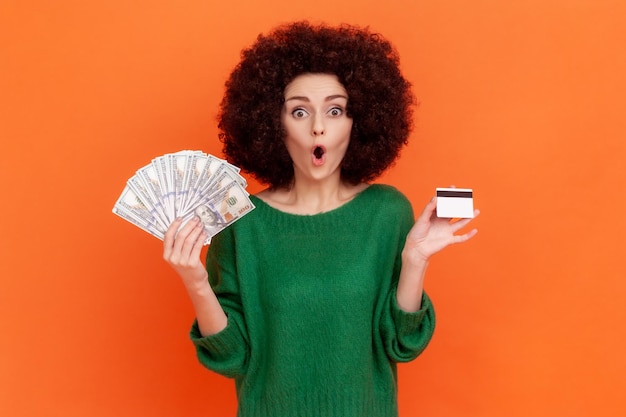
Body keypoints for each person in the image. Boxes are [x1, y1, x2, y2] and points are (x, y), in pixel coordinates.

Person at [163, 21, 479, 417]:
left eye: (335, 110)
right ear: (273, 123)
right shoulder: (241, 223)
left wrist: (415, 261)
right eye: (299, 111)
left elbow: (402, 342)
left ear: (357, 121)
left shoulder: (387, 212)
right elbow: (233, 358)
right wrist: (195, 281)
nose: (318, 126)